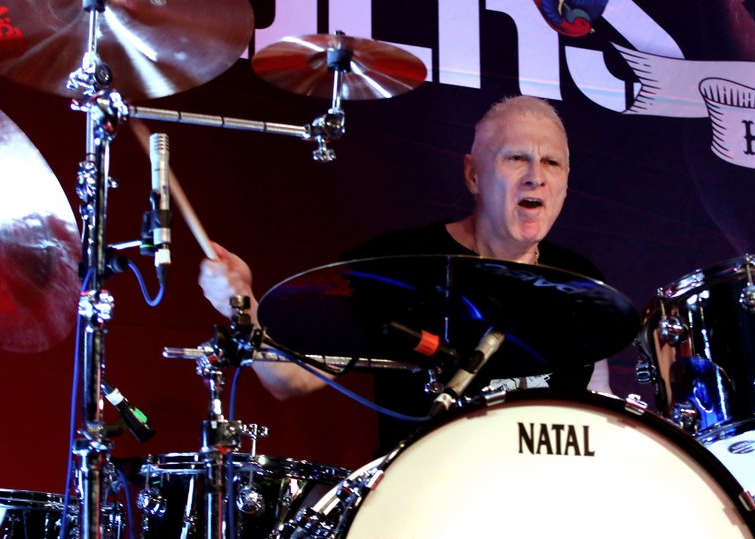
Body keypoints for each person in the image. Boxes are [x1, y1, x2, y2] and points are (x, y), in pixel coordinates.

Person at [199, 95, 611, 451]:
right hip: (421, 515)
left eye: (551, 162)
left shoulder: (583, 282)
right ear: (473, 174)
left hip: (549, 513)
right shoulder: (395, 265)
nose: (535, 176)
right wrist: (240, 303)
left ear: (566, 183)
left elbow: (599, 408)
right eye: (516, 157)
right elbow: (289, 378)